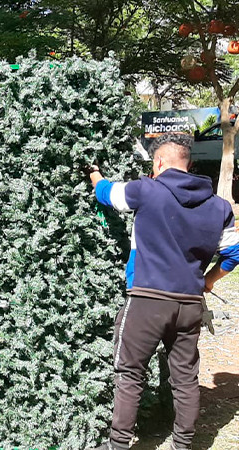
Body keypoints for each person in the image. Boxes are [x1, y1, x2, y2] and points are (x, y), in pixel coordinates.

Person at [85, 132, 239, 450]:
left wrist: (94, 172)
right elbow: (234, 253)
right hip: (189, 304)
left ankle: (117, 445)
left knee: (130, 374)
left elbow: (107, 194)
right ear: (190, 163)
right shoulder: (219, 207)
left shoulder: (146, 191)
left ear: (158, 162)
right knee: (184, 378)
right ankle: (182, 445)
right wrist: (208, 281)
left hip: (146, 301)